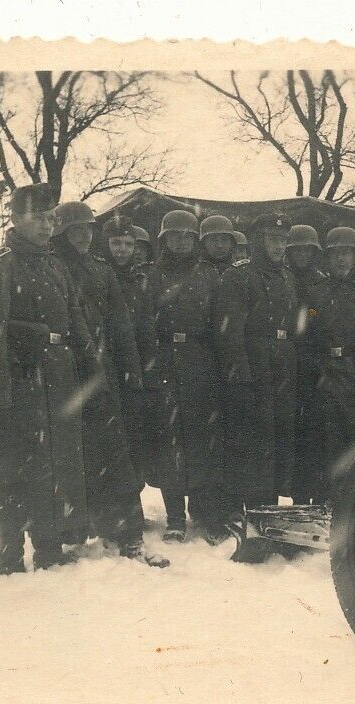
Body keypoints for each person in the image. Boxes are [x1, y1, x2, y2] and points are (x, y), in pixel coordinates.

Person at [0, 183, 94, 574]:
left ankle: (49, 544)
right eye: (36, 218)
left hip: (57, 376)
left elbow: (74, 316)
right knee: (16, 464)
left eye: (50, 218)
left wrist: (91, 361)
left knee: (54, 462)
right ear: (16, 219)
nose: (45, 225)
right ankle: (10, 553)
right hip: (19, 379)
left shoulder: (55, 265)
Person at [51, 202, 167, 567]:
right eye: (76, 231)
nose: (84, 236)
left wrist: (132, 369)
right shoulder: (54, 267)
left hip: (104, 373)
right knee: (71, 454)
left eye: (88, 229)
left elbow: (121, 325)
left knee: (116, 454)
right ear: (64, 234)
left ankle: (127, 532)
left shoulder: (102, 272)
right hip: (66, 373)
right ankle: (70, 531)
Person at [143, 209, 225, 544]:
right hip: (164, 362)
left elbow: (221, 323)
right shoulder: (150, 274)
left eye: (188, 236)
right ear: (164, 239)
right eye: (175, 235)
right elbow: (144, 323)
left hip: (201, 361)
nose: (181, 241)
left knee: (203, 438)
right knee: (169, 439)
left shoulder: (209, 275)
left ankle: (204, 512)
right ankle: (175, 517)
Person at [214, 213, 299, 525]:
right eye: (273, 240)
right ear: (258, 242)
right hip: (254, 364)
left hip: (283, 366)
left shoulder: (288, 278)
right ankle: (246, 507)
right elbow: (229, 330)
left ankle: (270, 506)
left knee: (278, 437)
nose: (279, 246)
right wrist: (240, 376)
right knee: (251, 438)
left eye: (283, 240)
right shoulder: (238, 277)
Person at [301, 227, 355, 500]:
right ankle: (327, 503)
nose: (340, 259)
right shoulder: (316, 295)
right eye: (335, 253)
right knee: (326, 445)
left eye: (345, 253)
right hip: (327, 379)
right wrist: (318, 366)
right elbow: (307, 330)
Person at [104, 217, 160, 492]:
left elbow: (147, 326)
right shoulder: (100, 275)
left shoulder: (140, 279)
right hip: (106, 364)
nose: (122, 250)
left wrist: (147, 368)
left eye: (128, 244)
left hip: (134, 365)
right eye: (116, 243)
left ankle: (132, 501)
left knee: (135, 434)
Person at [284, 224, 328, 503]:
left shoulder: (319, 282)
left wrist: (308, 316)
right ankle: (297, 494)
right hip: (284, 362)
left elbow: (316, 315)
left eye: (307, 250)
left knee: (315, 433)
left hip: (312, 362)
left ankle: (314, 493)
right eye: (297, 249)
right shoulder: (283, 277)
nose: (302, 254)